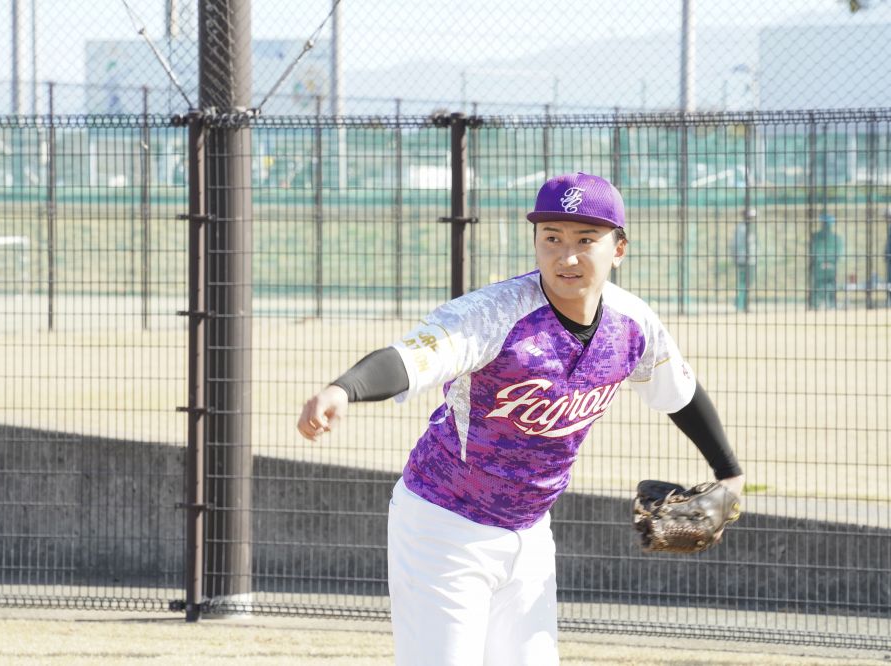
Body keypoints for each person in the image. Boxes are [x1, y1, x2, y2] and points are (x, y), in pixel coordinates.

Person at [296, 172, 744, 666]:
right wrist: (344, 388)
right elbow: (410, 357)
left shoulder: (632, 323)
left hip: (530, 532)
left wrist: (730, 475)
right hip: (443, 528)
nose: (566, 256)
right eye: (551, 238)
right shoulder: (495, 313)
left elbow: (679, 393)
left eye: (585, 240)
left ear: (618, 249)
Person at [808, 213, 844, 309]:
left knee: (831, 287)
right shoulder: (815, 237)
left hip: (830, 269)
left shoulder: (837, 239)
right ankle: (816, 305)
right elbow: (813, 252)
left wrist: (829, 263)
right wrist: (822, 263)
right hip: (819, 269)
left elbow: (839, 254)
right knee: (818, 287)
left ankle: (831, 304)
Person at [730, 208, 758, 312]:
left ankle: (742, 303)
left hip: (750, 259)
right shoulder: (741, 228)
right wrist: (735, 256)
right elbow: (735, 244)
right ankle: (740, 303)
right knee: (743, 282)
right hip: (743, 259)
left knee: (748, 282)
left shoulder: (750, 228)